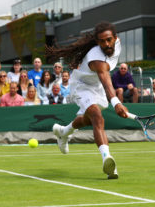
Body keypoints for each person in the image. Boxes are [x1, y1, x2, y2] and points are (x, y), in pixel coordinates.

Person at [46, 21, 129, 179]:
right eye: (102, 41)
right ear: (97, 42)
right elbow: (107, 82)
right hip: (81, 86)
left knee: (87, 119)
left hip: (96, 85)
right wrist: (117, 103)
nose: (106, 44)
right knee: (97, 116)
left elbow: (103, 82)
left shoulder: (117, 44)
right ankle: (108, 161)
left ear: (115, 38)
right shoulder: (96, 58)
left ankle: (64, 132)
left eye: (109, 39)